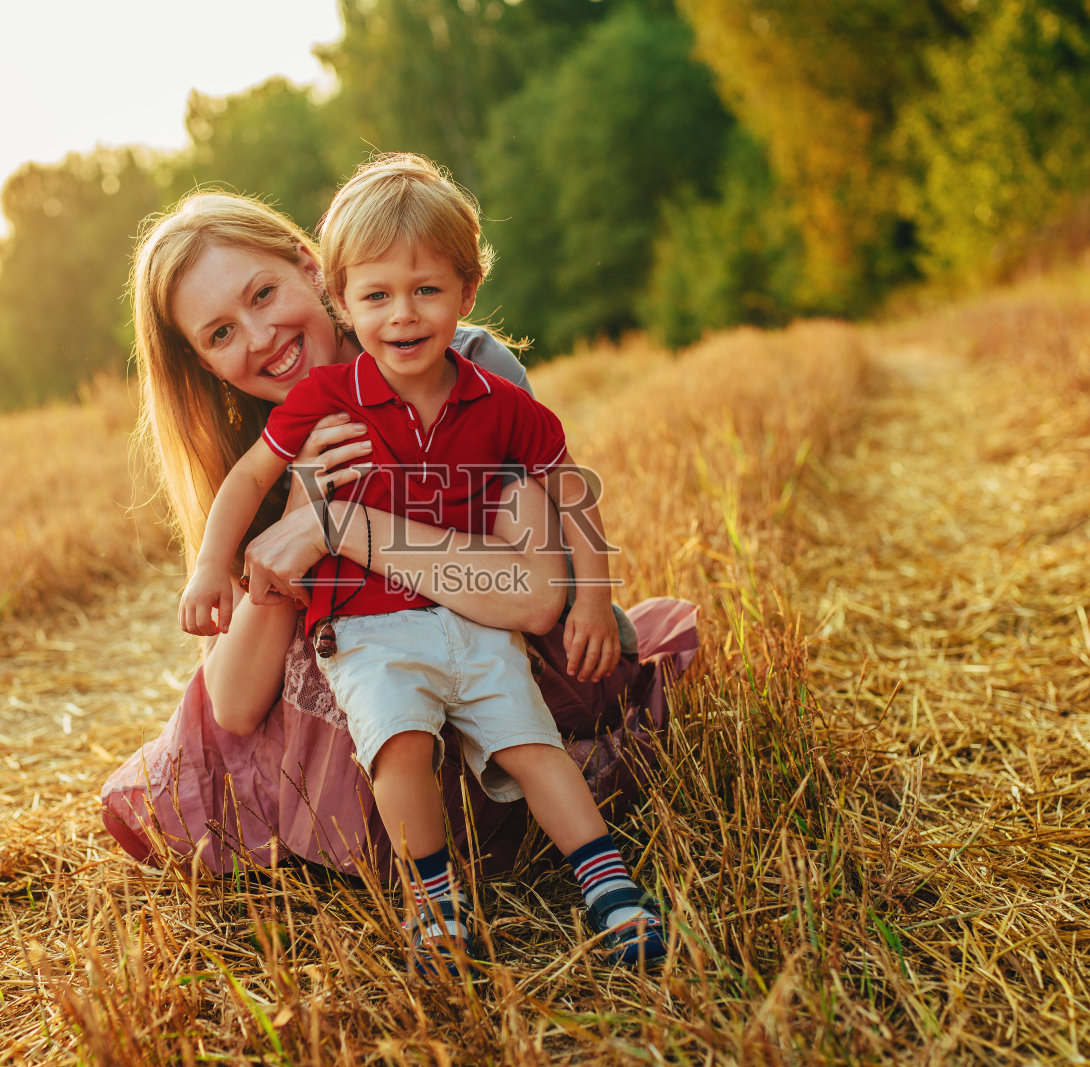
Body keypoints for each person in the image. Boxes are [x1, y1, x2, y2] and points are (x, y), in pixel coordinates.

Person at [99, 173, 697, 917]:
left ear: (310, 269)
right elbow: (234, 702)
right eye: (220, 334)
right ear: (204, 362)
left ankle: (572, 866)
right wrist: (300, 498)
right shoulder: (254, 449)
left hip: (494, 666)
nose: (260, 340)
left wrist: (336, 527)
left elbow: (539, 597)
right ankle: (423, 878)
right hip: (380, 692)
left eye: (262, 295)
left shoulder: (468, 369)